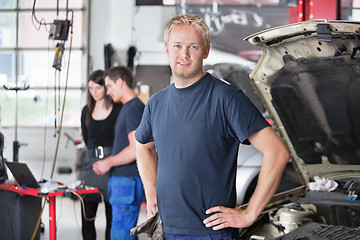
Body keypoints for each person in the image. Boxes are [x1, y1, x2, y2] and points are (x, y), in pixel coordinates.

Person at [135, 13, 290, 239]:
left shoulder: (226, 98)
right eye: (177, 45)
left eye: (193, 47)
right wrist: (151, 193)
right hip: (168, 230)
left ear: (206, 51)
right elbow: (143, 146)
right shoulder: (156, 103)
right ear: (167, 48)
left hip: (211, 233)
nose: (184, 54)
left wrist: (249, 214)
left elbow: (277, 152)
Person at [93, 66, 145, 240]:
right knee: (120, 232)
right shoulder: (129, 108)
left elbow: (136, 149)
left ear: (120, 82)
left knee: (121, 234)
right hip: (123, 181)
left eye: (109, 86)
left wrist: (108, 162)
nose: (107, 92)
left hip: (127, 181)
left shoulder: (132, 109)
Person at [80, 69, 121, 240]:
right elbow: (87, 138)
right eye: (90, 88)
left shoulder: (118, 109)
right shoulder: (86, 111)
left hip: (112, 165)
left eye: (97, 88)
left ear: (106, 88)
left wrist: (111, 160)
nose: (94, 92)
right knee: (87, 217)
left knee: (112, 219)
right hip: (91, 166)